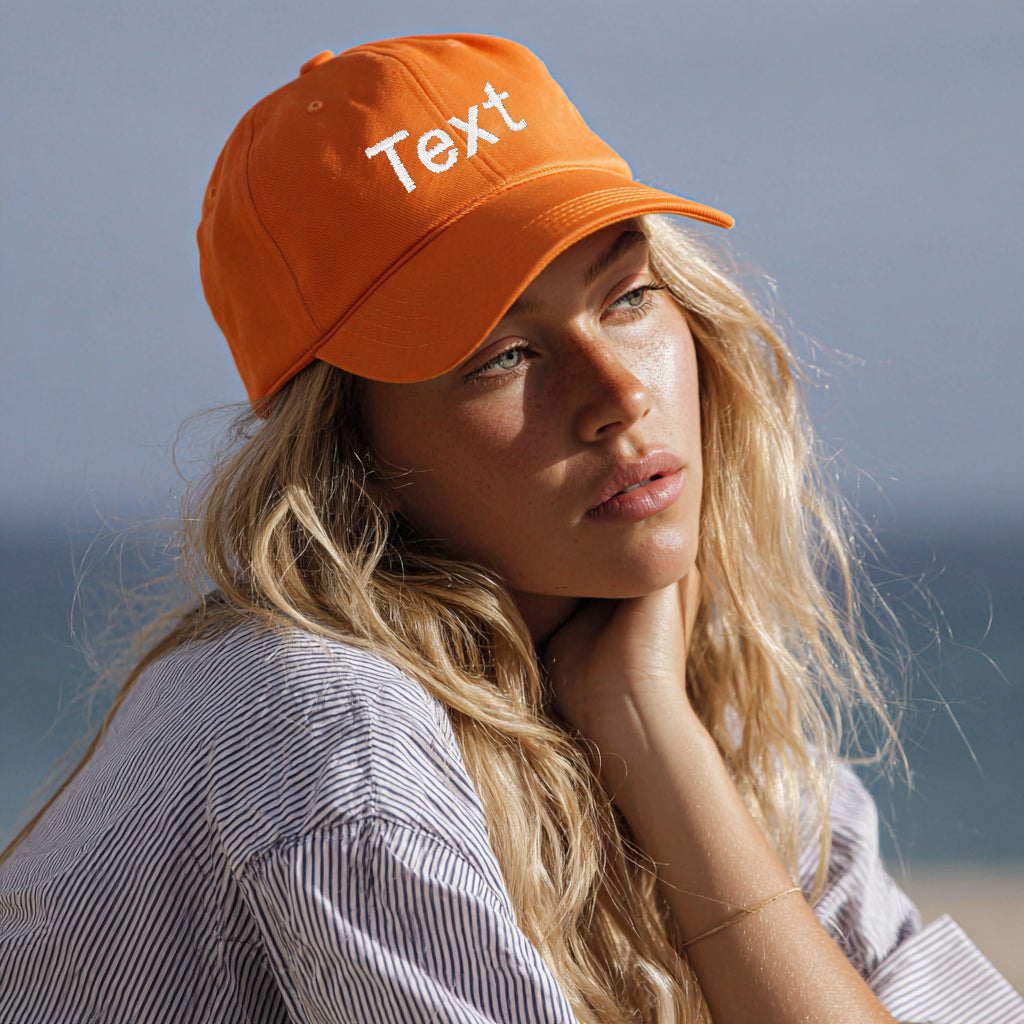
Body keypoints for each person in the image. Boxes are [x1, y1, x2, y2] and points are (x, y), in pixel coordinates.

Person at [0, 33, 1019, 1024]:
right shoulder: (326, 733)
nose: (621, 392)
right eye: (503, 355)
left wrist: (650, 731)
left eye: (627, 296)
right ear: (352, 456)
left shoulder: (703, 719)